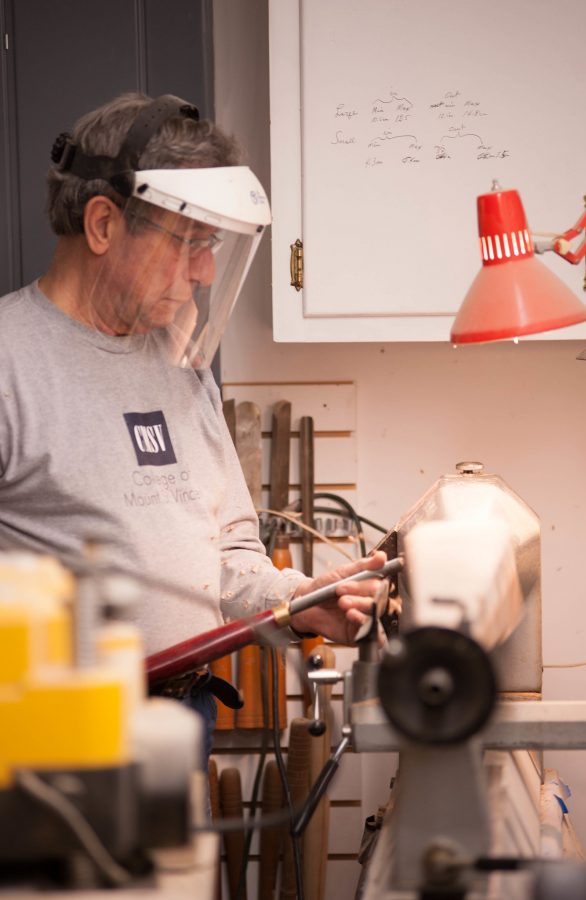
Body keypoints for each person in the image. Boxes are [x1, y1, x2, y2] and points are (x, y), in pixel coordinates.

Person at [0, 92, 387, 762]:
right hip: (53, 743)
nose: (206, 273)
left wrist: (299, 601)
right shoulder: (9, 362)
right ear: (101, 225)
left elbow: (229, 554)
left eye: (213, 246)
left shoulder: (177, 360)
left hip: (182, 719)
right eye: (190, 243)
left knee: (179, 875)